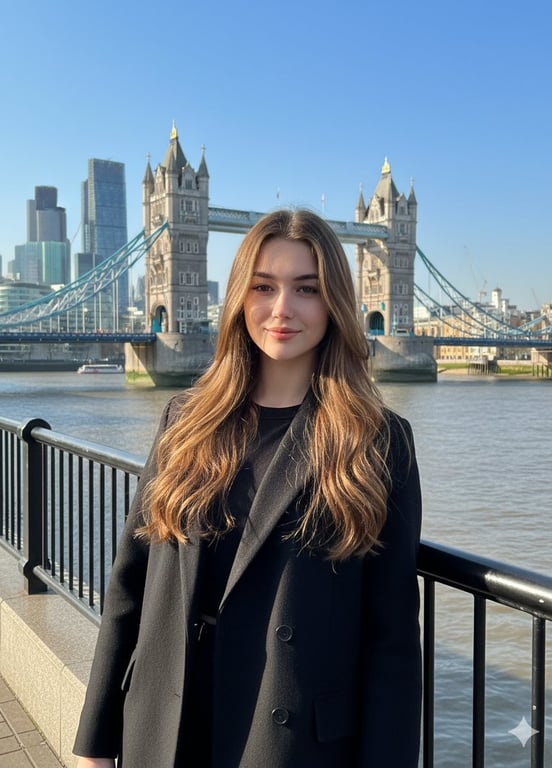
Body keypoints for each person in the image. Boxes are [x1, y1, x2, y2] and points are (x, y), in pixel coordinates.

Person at [73, 208, 422, 768]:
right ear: (239, 296)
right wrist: (95, 743)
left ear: (335, 302)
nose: (282, 308)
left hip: (287, 735)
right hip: (166, 721)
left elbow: (393, 641)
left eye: (307, 288)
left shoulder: (377, 441)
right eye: (264, 287)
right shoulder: (184, 420)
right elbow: (129, 584)